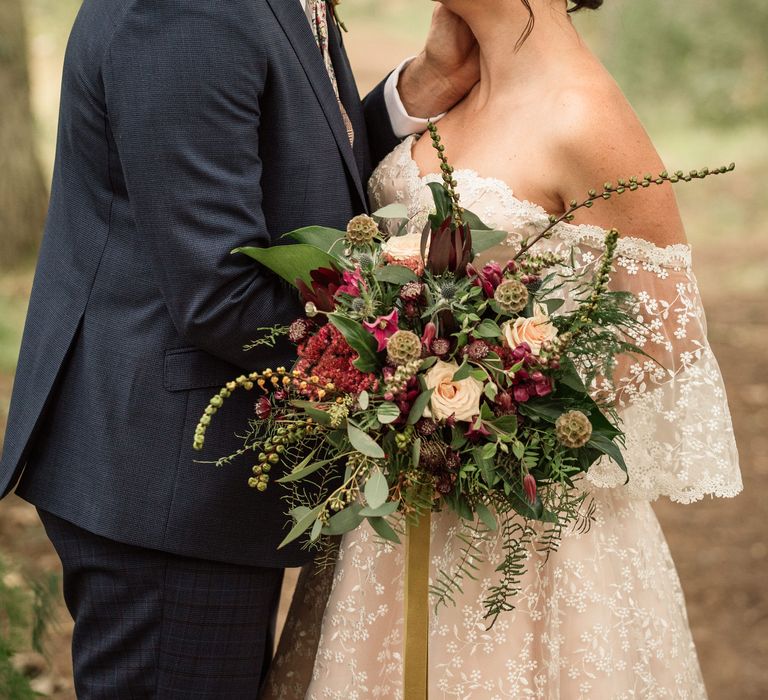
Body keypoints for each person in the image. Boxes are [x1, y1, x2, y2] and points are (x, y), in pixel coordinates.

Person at [0, 1, 479, 697]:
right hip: (165, 483)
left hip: (190, 479)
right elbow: (220, 293)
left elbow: (293, 164)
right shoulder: (188, 11)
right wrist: (407, 367)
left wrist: (416, 92)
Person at [268, 1, 742, 697]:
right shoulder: (453, 87)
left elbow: (664, 335)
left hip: (519, 536)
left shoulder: (584, 113)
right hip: (395, 518)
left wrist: (492, 411)